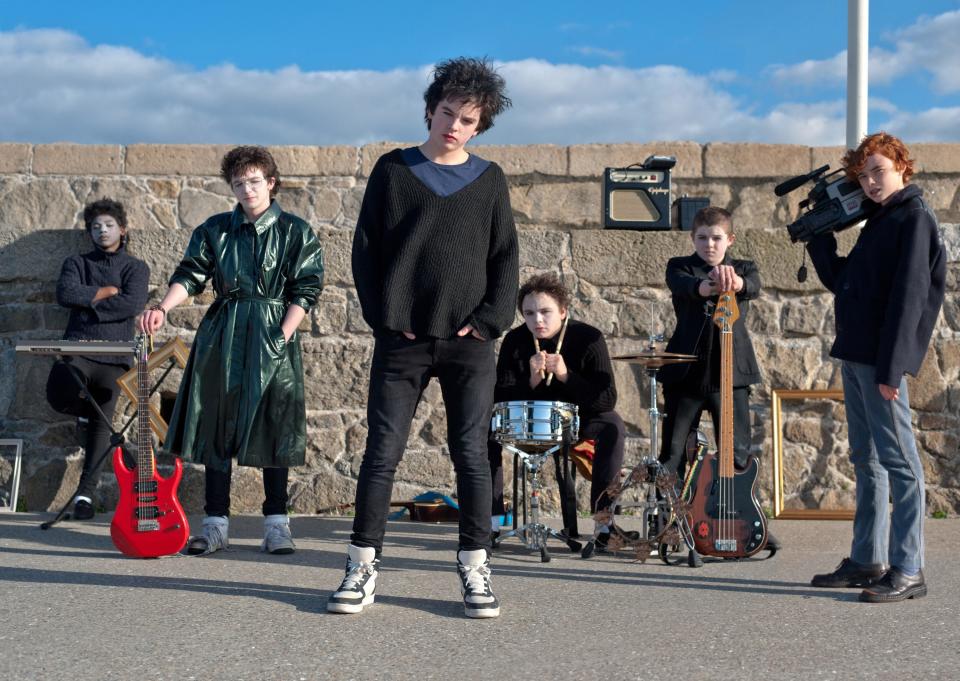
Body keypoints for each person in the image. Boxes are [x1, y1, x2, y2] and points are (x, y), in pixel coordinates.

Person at [328, 57, 518, 619]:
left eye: (467, 118)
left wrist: (487, 323)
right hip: (403, 340)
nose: (454, 125)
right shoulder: (393, 171)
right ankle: (361, 567)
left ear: (480, 126)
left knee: (472, 458)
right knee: (381, 455)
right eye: (446, 112)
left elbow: (505, 259)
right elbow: (366, 251)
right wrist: (387, 317)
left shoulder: (489, 180)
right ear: (429, 111)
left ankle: (476, 570)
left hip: (469, 343)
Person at [139, 146, 324, 556]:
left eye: (254, 181)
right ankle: (215, 524)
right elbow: (191, 274)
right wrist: (162, 308)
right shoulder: (215, 229)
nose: (247, 189)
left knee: (274, 424)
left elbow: (307, 285)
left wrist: (283, 335)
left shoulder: (295, 231)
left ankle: (277, 524)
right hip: (223, 332)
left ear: (271, 183)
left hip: (273, 331)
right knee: (216, 423)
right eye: (239, 183)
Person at [807, 132, 945, 603]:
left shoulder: (913, 218)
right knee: (866, 461)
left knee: (901, 464)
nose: (869, 182)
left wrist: (892, 369)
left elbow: (911, 301)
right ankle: (868, 559)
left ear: (903, 167)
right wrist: (818, 234)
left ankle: (909, 567)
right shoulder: (881, 220)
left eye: (877, 171)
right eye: (863, 175)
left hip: (879, 363)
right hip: (856, 355)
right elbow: (844, 282)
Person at [657, 207, 779, 551]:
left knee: (738, 452)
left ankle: (744, 515)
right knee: (673, 452)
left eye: (716, 238)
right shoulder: (679, 265)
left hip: (731, 375)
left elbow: (753, 285)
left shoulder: (743, 268)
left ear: (730, 240)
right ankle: (672, 524)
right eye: (702, 238)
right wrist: (707, 285)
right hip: (686, 375)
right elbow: (684, 286)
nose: (709, 244)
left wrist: (736, 283)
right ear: (692, 239)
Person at [488, 273, 627, 549]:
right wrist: (532, 380)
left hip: (575, 421)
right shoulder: (515, 341)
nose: (537, 320)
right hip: (528, 422)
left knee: (613, 425)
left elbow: (606, 398)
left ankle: (603, 523)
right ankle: (490, 521)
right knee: (484, 427)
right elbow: (499, 397)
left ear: (563, 312)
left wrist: (566, 376)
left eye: (545, 312)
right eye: (529, 313)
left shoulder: (589, 337)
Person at [46, 198, 149, 519]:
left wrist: (88, 300)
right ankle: (82, 413)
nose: (102, 231)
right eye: (95, 226)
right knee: (58, 394)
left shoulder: (135, 267)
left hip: (115, 355)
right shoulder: (76, 262)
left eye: (108, 225)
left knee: (100, 426)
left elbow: (131, 305)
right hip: (78, 346)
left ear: (122, 229)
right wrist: (105, 293)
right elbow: (66, 295)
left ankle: (84, 498)